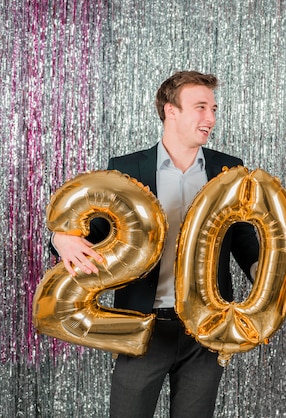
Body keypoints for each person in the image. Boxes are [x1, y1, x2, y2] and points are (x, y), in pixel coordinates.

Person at [51, 71, 260, 417]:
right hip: (141, 326)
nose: (210, 118)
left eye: (214, 109)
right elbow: (95, 230)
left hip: (204, 332)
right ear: (170, 111)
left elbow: (241, 238)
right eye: (201, 107)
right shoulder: (126, 169)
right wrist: (60, 238)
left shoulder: (229, 169)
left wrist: (262, 272)